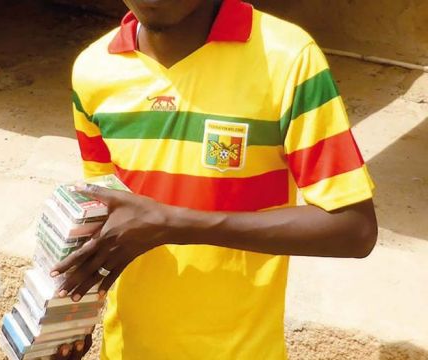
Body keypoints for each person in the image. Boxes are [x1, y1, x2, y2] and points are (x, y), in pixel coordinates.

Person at [53, 0, 378, 359]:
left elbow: (354, 228)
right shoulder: (94, 71)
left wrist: (176, 224)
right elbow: (108, 226)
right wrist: (68, 324)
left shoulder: (287, 59)